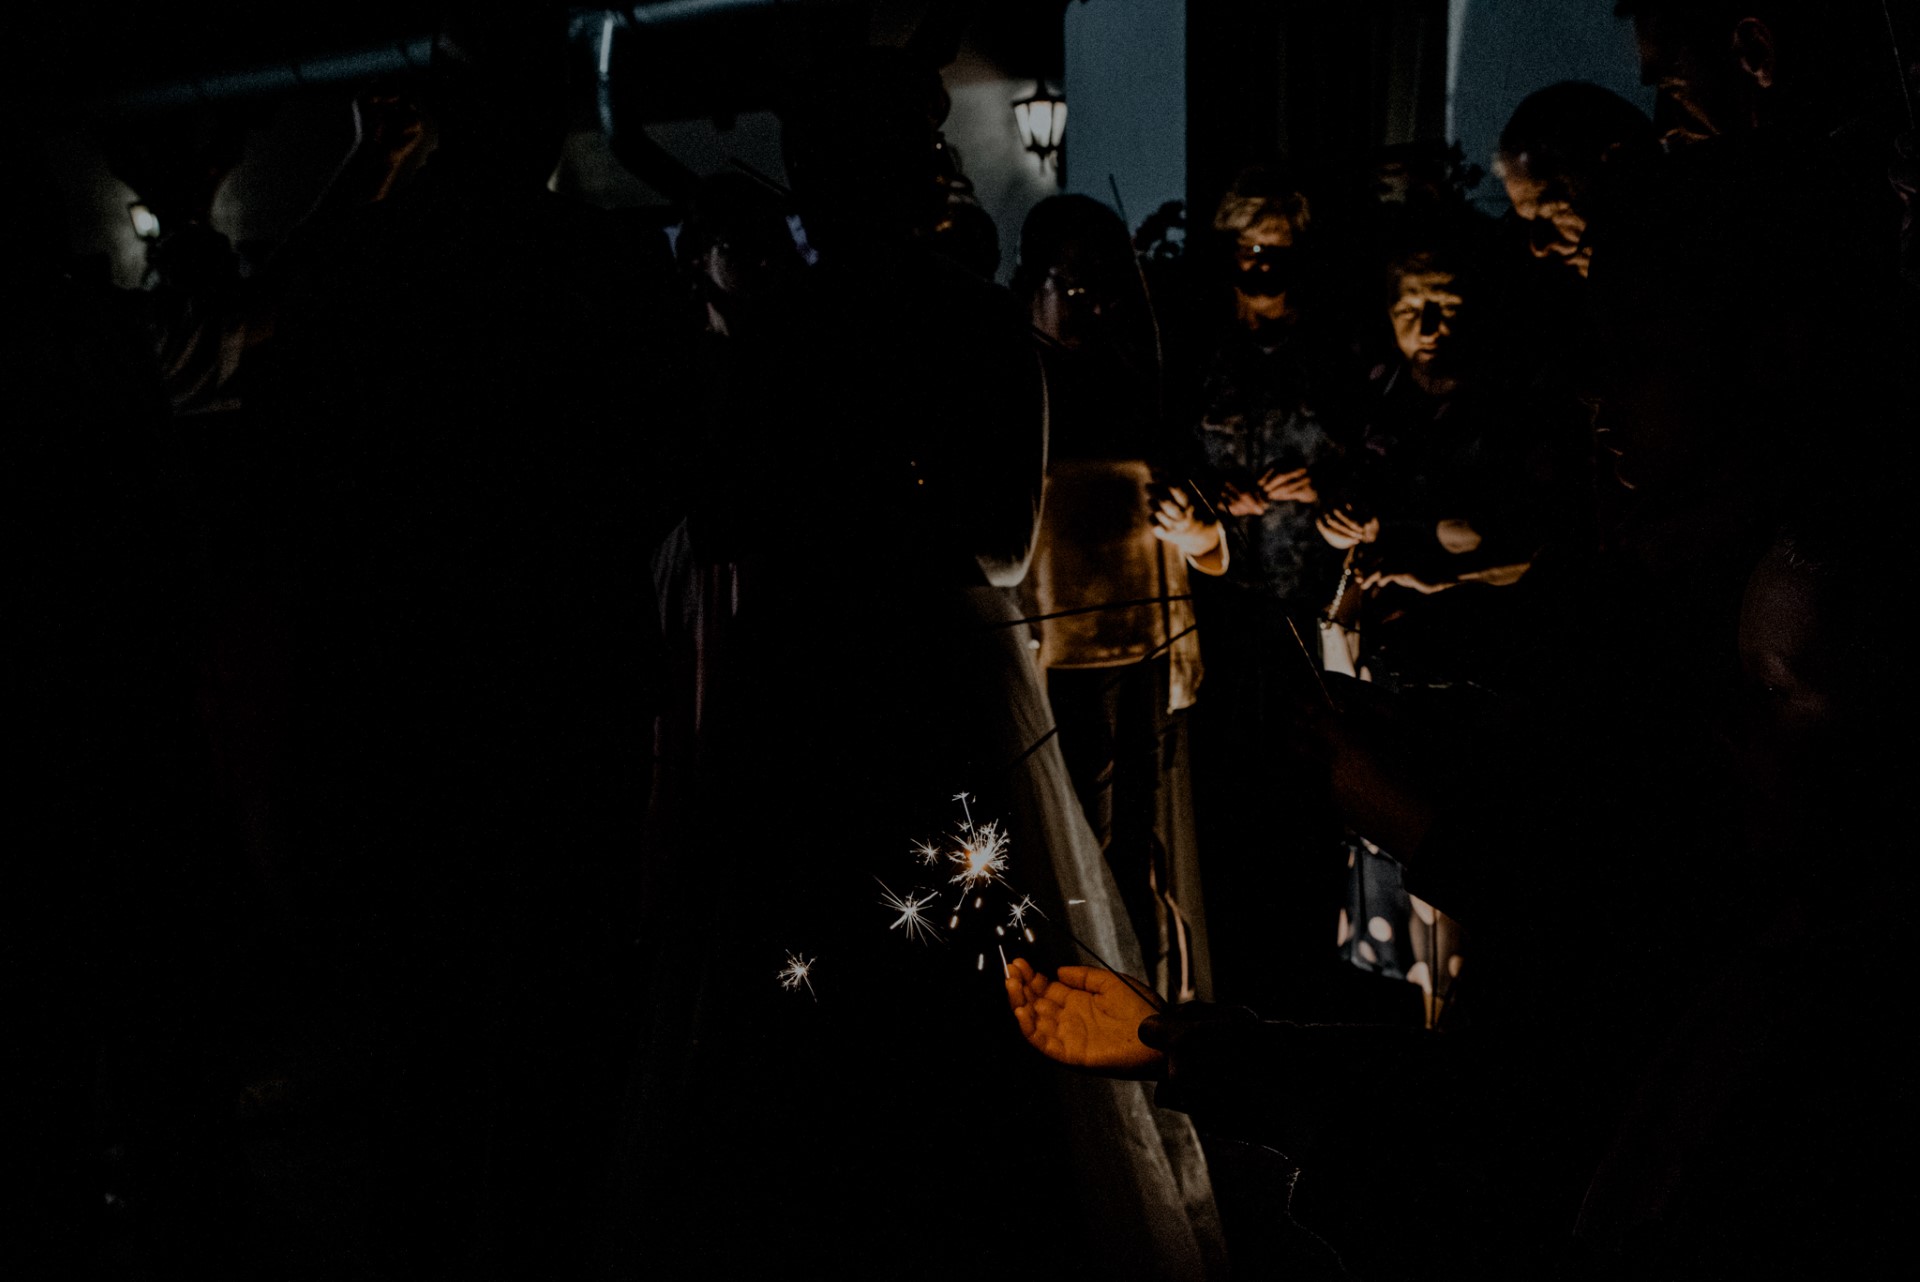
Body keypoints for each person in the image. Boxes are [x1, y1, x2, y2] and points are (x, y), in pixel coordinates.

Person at [615, 48, 1225, 1282]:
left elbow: (996, 544)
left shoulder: (937, 324)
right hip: (836, 684)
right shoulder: (825, 326)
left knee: (919, 957)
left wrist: (833, 502)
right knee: (849, 959)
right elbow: (739, 517)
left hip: (896, 682)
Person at [1013, 193, 1225, 1001]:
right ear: (1033, 278)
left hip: (1145, 649)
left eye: (1110, 288)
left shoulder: (1134, 380)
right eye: (1077, 285)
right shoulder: (1011, 382)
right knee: (1070, 843)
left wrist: (1197, 530)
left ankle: (1145, 1009)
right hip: (1050, 657)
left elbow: (1209, 544)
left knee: (1141, 844)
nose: (1097, 306)